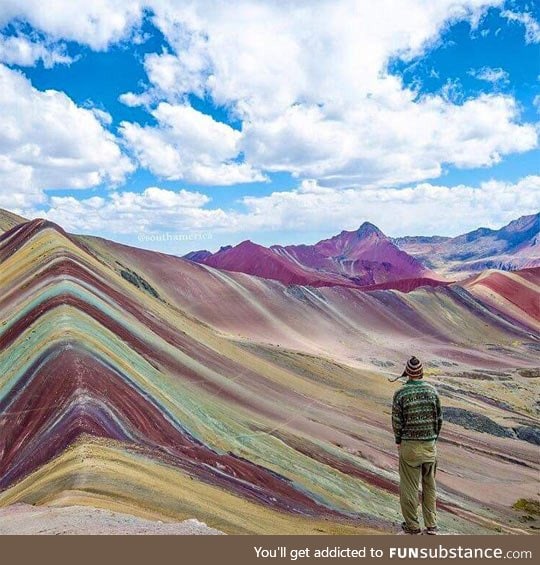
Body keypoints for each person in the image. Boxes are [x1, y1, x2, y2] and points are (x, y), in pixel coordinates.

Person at [392, 356, 443, 535]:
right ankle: (432, 525)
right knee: (430, 486)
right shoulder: (432, 391)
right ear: (421, 372)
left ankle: (412, 526)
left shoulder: (400, 394)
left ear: (407, 373)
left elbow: (397, 422)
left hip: (409, 447)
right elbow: (439, 419)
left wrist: (399, 442)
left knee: (409, 487)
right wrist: (433, 439)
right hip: (429, 445)